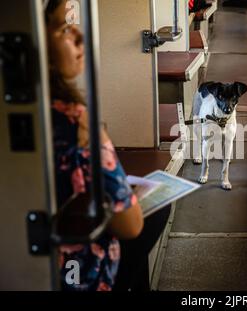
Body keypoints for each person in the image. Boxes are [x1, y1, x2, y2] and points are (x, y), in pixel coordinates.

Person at [45, 0, 144, 291]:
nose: (80, 36)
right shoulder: (73, 120)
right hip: (77, 274)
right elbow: (130, 225)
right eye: (65, 27)